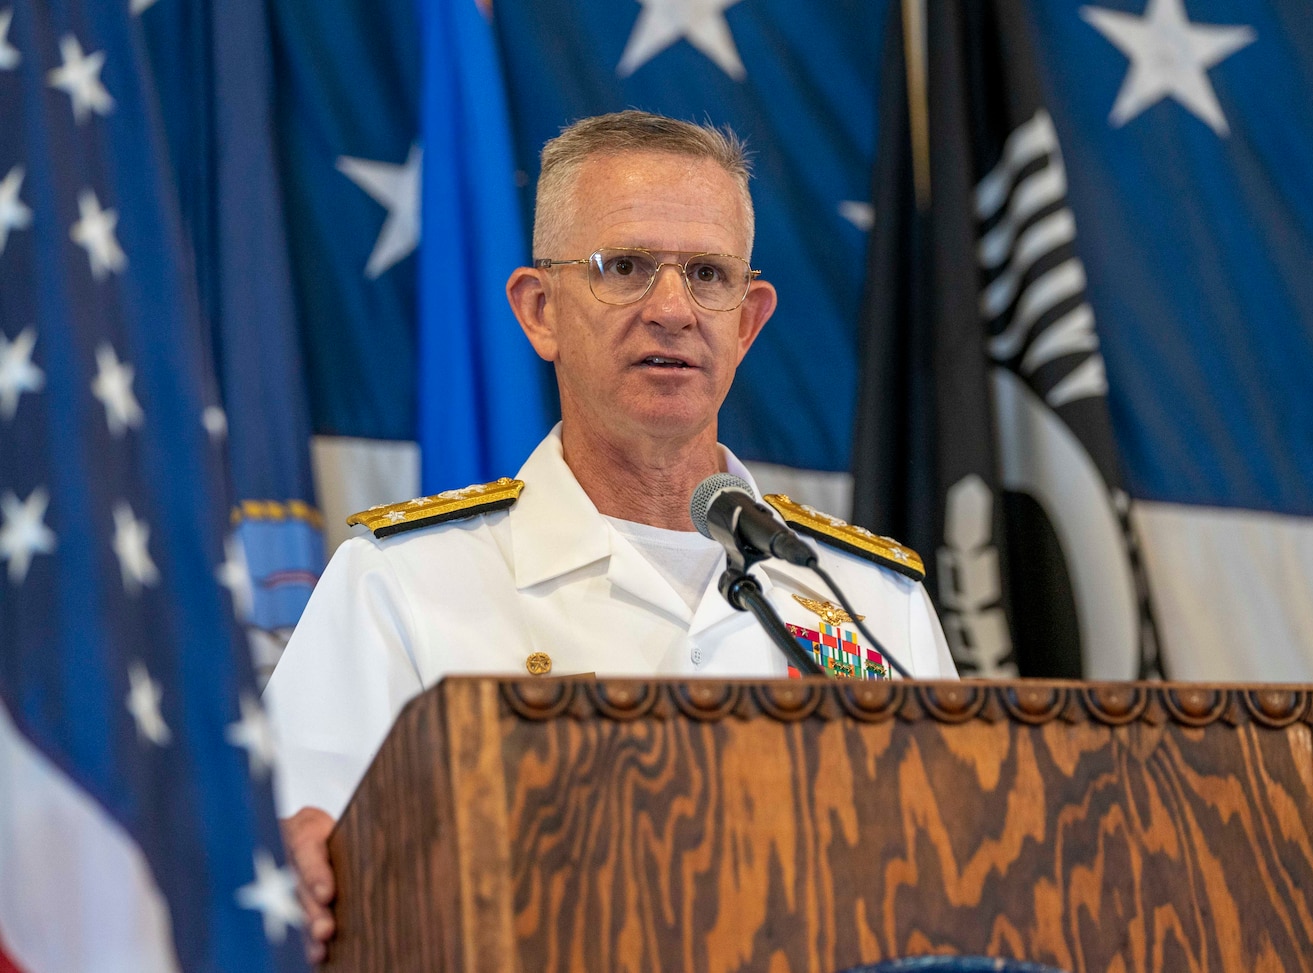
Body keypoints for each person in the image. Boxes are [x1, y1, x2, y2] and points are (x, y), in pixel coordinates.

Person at [264, 110, 958, 960]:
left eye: (709, 274)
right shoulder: (399, 587)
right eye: (623, 267)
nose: (672, 308)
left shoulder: (871, 603)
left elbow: (951, 878)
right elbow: (298, 876)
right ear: (539, 309)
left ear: (746, 322)